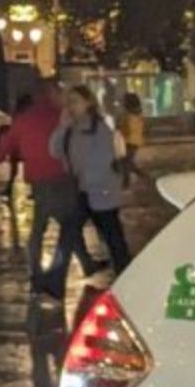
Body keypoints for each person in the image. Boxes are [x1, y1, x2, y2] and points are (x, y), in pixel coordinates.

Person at [0, 78, 102, 301]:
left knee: (43, 231)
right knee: (68, 229)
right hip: (63, 180)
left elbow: (3, 148)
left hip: (40, 183)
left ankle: (38, 275)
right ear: (51, 94)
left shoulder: (25, 119)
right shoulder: (62, 116)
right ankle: (57, 276)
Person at [52, 85, 132, 284]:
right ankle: (54, 281)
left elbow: (103, 160)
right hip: (80, 192)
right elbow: (54, 150)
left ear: (88, 103)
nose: (71, 106)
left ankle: (127, 277)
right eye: (68, 102)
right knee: (67, 236)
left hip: (100, 192)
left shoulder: (101, 128)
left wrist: (85, 178)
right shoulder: (71, 129)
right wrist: (62, 127)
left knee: (113, 238)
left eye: (75, 101)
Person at [117, 92, 149, 187]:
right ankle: (141, 175)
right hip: (135, 141)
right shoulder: (138, 114)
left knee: (126, 162)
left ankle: (127, 182)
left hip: (128, 141)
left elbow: (125, 129)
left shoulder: (128, 115)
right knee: (127, 161)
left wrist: (119, 128)